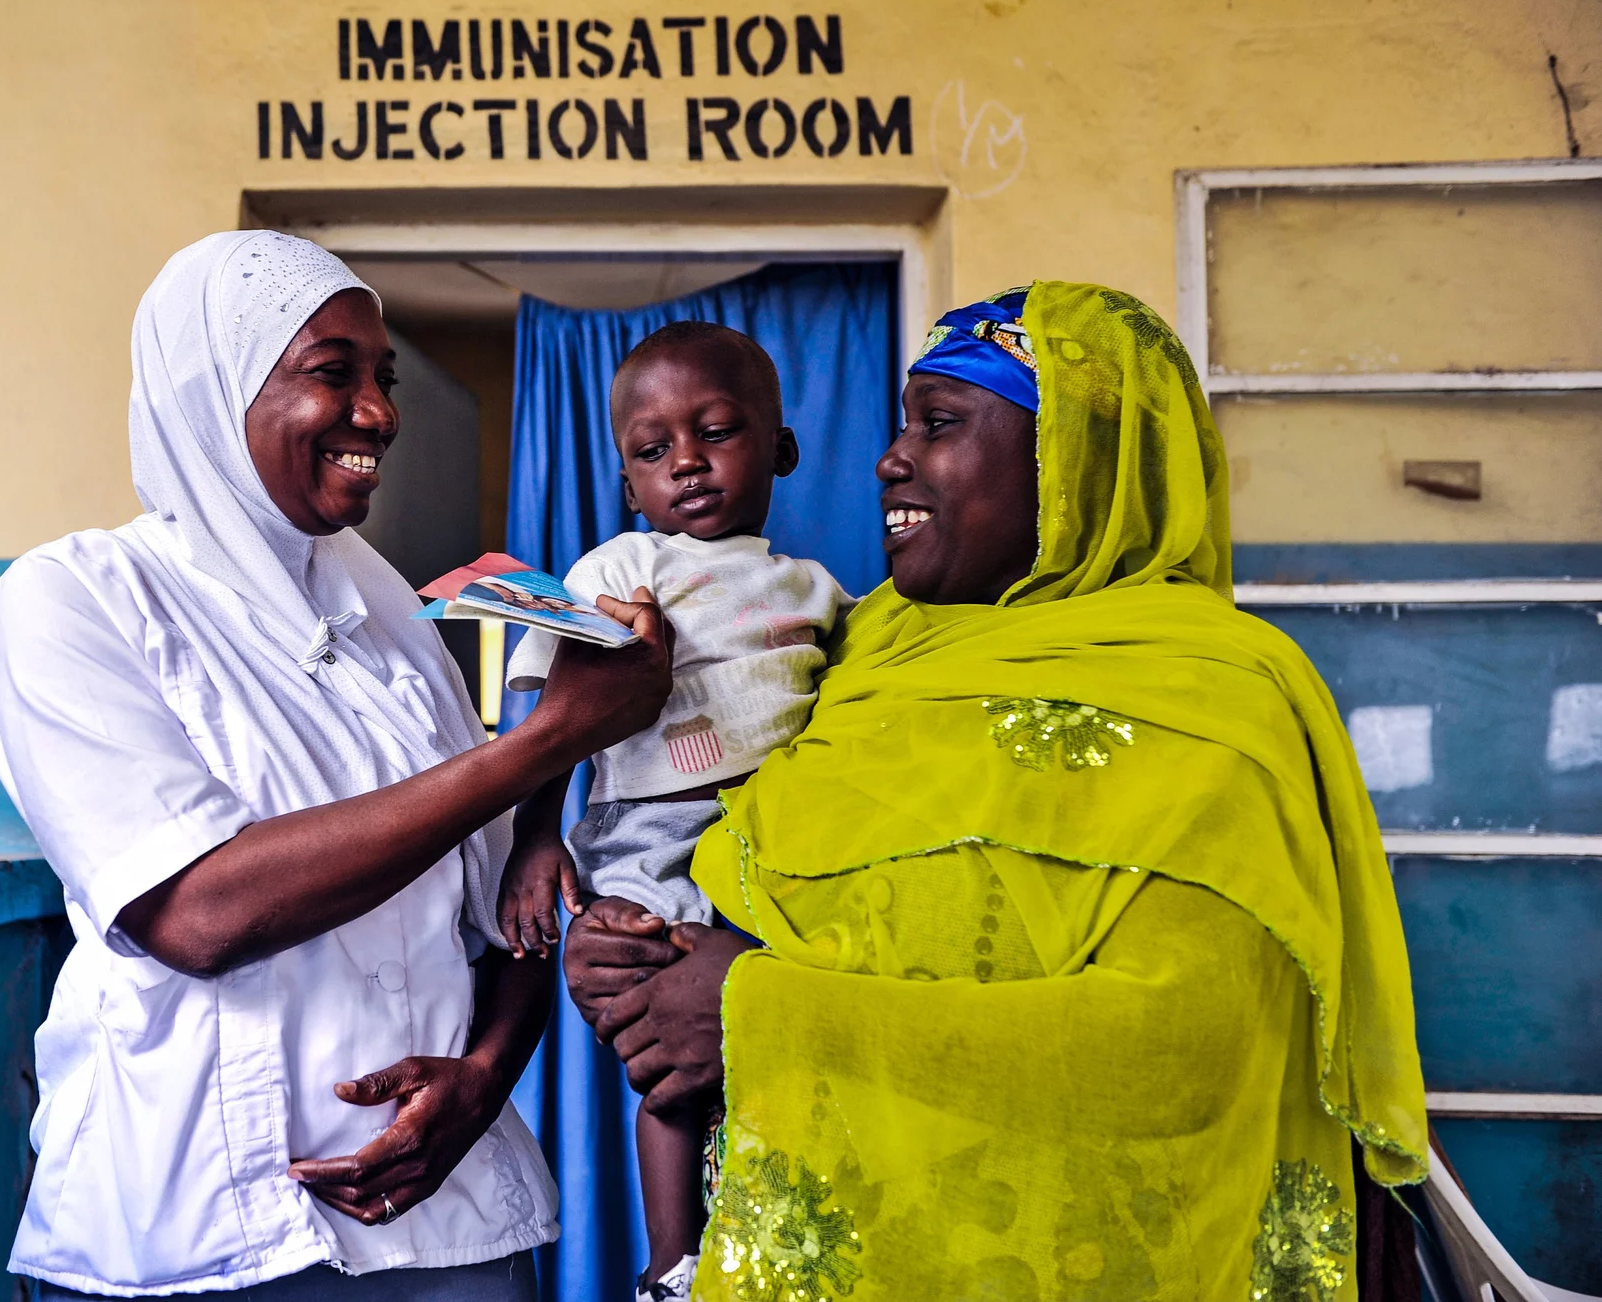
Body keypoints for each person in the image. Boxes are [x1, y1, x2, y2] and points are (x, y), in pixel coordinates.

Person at [563, 283, 1430, 1299]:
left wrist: (753, 1012)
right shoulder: (863, 645)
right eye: (897, 425)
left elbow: (1193, 1043)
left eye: (937, 424)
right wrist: (623, 945)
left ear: (1072, 463)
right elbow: (739, 851)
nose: (888, 459)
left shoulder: (1212, 694)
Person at [0, 231, 674, 1299]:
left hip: (446, 1220)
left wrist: (483, 1080)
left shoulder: (391, 620)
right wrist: (543, 742)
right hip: (197, 1222)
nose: (380, 412)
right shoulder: (77, 598)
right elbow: (197, 913)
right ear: (214, 389)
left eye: (383, 378)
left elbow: (506, 918)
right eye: (329, 372)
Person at [496, 321, 852, 1302]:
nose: (685, 463)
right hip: (649, 826)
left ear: (778, 449)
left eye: (717, 433)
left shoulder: (820, 593)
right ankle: (670, 1261)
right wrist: (535, 837)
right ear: (626, 482)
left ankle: (753, 1236)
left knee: (754, 1036)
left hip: (768, 836)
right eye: (653, 450)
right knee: (671, 1054)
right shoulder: (617, 572)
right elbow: (552, 723)